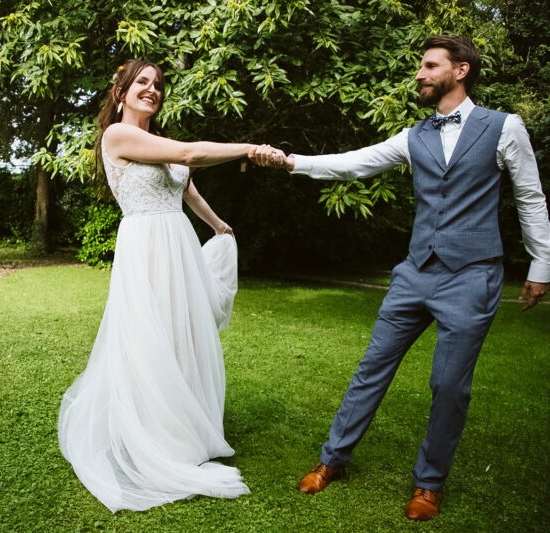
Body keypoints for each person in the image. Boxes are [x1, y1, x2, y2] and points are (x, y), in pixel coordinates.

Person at [250, 35, 550, 521]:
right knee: (372, 368)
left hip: (473, 276)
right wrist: (289, 161)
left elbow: (531, 199)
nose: (419, 74)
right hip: (413, 274)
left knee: (449, 385)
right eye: (420, 67)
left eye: (430, 66)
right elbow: (352, 164)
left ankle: (429, 485)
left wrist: (541, 266)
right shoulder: (413, 136)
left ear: (461, 71)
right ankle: (333, 460)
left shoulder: (504, 127)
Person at [58, 59, 255, 512]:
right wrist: (246, 148)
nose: (153, 89)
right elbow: (190, 156)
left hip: (179, 244)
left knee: (182, 334)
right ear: (120, 93)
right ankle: (155, 437)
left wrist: (220, 226)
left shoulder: (160, 142)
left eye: (158, 84)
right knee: (152, 339)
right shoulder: (118, 136)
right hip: (146, 246)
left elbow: (187, 191)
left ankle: (184, 427)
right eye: (142, 82)